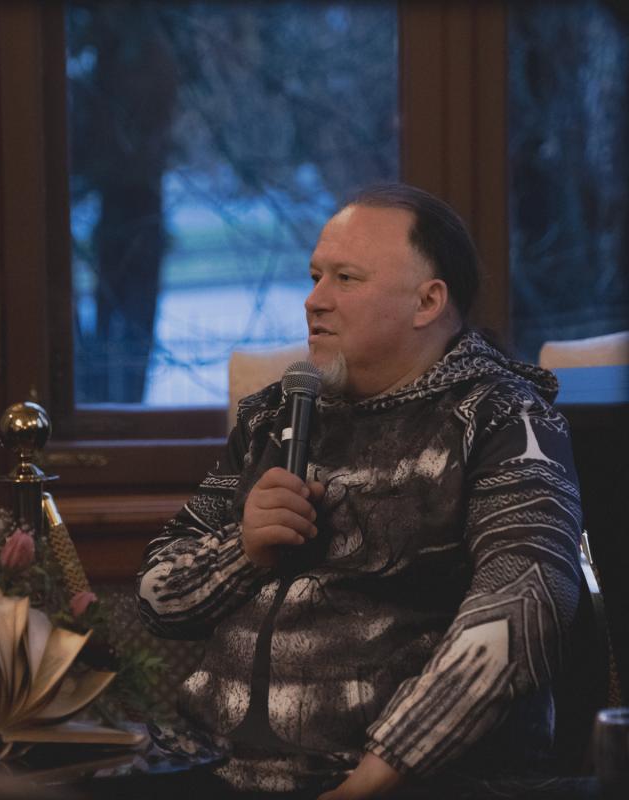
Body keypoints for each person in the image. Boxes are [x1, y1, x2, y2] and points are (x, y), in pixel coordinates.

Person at [137, 184, 583, 798]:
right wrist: (243, 550)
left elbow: (528, 600)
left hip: (404, 781)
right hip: (210, 767)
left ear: (427, 301)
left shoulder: (504, 417)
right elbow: (155, 603)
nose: (313, 300)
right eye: (315, 276)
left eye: (345, 279)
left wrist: (377, 774)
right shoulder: (273, 417)